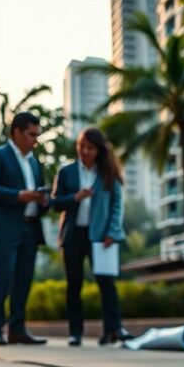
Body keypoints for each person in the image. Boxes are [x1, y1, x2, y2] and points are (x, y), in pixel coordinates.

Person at [51, 127, 133, 346]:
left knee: (107, 283)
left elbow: (117, 204)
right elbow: (55, 203)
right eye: (81, 146)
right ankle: (75, 332)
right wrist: (75, 197)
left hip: (100, 236)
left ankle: (113, 329)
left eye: (89, 147)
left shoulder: (107, 172)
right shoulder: (66, 172)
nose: (84, 151)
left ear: (98, 150)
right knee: (74, 284)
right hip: (73, 234)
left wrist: (112, 233)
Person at [0, 111, 50, 346]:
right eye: (31, 135)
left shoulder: (34, 161)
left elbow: (37, 189)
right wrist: (18, 196)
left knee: (24, 279)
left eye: (37, 135)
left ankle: (17, 329)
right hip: (6, 227)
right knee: (5, 277)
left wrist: (42, 200)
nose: (35, 140)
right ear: (16, 132)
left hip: (30, 227)